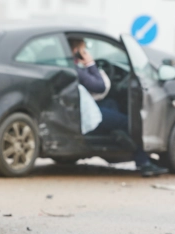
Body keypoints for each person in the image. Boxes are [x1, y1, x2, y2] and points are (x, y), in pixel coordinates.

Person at [69, 38, 168, 177]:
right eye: (83, 50)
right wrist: (91, 64)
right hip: (84, 114)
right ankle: (143, 162)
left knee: (112, 104)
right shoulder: (75, 70)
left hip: (81, 108)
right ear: (76, 51)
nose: (85, 53)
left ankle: (117, 135)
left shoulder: (69, 67)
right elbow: (99, 86)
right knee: (128, 122)